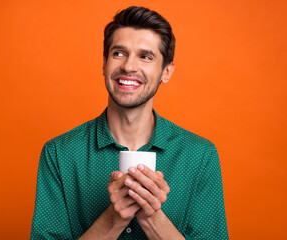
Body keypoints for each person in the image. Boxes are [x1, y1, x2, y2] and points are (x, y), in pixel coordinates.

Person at [30, 6, 228, 240]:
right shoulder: (59, 153)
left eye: (145, 56)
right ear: (104, 63)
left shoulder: (200, 156)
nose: (129, 66)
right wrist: (113, 219)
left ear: (166, 71)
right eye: (119, 53)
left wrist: (152, 218)